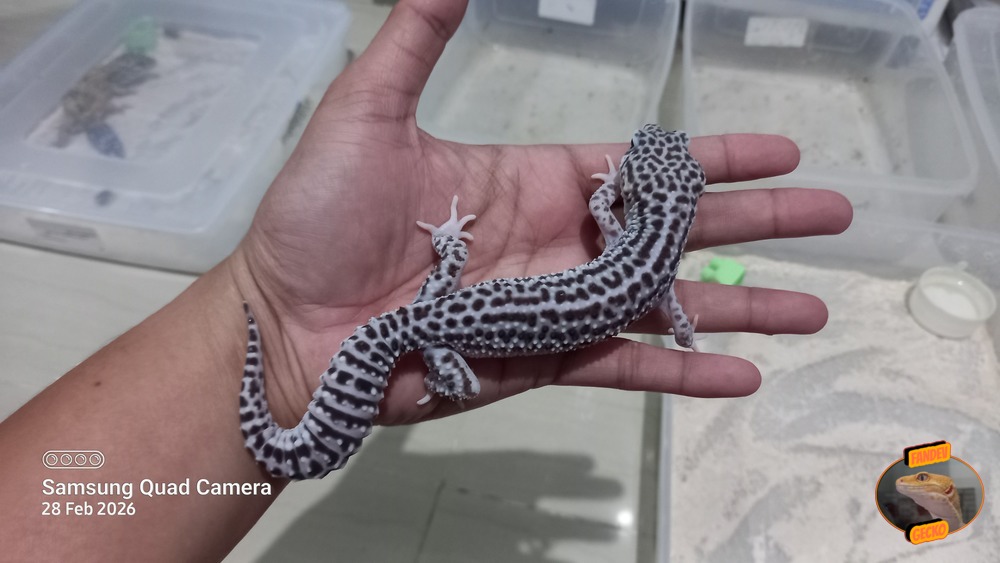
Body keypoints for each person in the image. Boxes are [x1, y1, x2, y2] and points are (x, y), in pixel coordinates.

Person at [0, 0, 852, 559]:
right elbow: (656, 292)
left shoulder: (632, 238)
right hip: (450, 325)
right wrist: (672, 303)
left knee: (379, 375)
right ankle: (405, 357)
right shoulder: (654, 258)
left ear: (649, 192)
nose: (637, 153)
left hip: (451, 314)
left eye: (640, 164)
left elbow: (613, 232)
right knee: (346, 402)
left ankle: (411, 335)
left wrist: (476, 253)